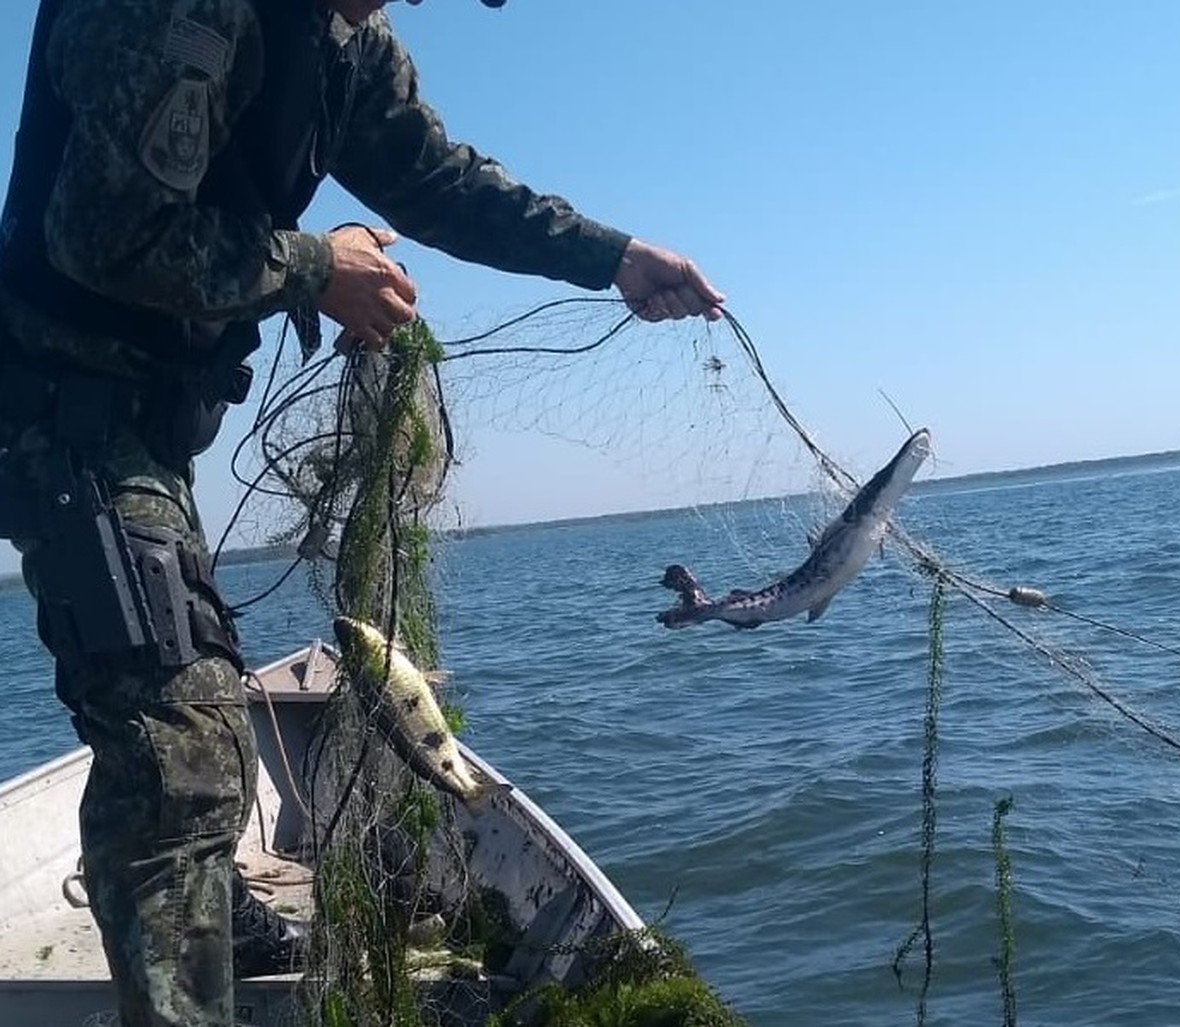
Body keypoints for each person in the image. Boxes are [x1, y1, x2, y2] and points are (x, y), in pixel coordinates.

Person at [0, 0, 724, 1024]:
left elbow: (439, 180)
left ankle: (213, 899)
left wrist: (611, 255)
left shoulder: (349, 41)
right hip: (54, 410)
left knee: (190, 704)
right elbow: (101, 233)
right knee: (185, 751)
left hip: (150, 423)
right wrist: (312, 265)